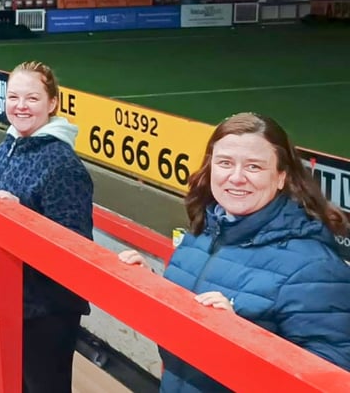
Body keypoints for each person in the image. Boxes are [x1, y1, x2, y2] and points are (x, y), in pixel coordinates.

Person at [119, 112, 350, 391]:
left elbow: (333, 376)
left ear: (281, 178)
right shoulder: (202, 234)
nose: (236, 177)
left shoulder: (313, 265)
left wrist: (242, 339)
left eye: (254, 167)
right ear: (211, 168)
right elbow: (183, 342)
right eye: (225, 163)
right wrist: (151, 289)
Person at [0, 61, 94, 393]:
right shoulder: (6, 147)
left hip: (42, 312)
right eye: (14, 97)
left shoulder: (62, 164)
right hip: (4, 299)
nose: (21, 106)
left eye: (32, 98)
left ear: (52, 103)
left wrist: (22, 216)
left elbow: (74, 244)